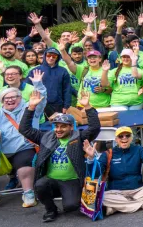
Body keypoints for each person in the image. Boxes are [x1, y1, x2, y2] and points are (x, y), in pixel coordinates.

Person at [0, 70, 49, 214]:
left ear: (20, 98)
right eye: (6, 98)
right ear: (1, 101)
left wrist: (38, 84)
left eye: (13, 97)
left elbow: (41, 99)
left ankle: (28, 192)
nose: (10, 100)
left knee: (25, 163)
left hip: (23, 148)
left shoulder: (30, 108)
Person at [16, 91, 100, 222]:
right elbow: (24, 129)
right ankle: (51, 209)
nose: (58, 129)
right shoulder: (45, 137)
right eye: (56, 126)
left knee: (71, 206)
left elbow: (95, 128)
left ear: (71, 127)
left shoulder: (78, 137)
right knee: (40, 184)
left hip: (72, 180)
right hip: (51, 180)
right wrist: (31, 108)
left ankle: (69, 197)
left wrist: (88, 107)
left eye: (63, 126)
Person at [87, 126, 143, 216]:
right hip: (116, 192)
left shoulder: (138, 149)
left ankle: (116, 207)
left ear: (131, 138)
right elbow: (96, 173)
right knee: (101, 197)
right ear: (116, 139)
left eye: (127, 136)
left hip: (137, 190)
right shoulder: (108, 154)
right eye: (121, 136)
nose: (124, 138)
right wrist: (91, 159)